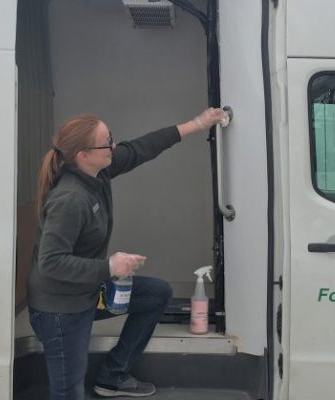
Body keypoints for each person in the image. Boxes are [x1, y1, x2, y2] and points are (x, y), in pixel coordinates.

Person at [28, 108, 228, 400]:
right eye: (106, 143)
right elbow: (51, 263)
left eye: (111, 139)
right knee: (68, 392)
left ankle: (112, 376)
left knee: (156, 294)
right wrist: (110, 267)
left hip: (87, 293)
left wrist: (198, 124)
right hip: (60, 310)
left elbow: (140, 148)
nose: (113, 147)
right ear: (82, 155)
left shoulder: (98, 171)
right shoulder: (70, 199)